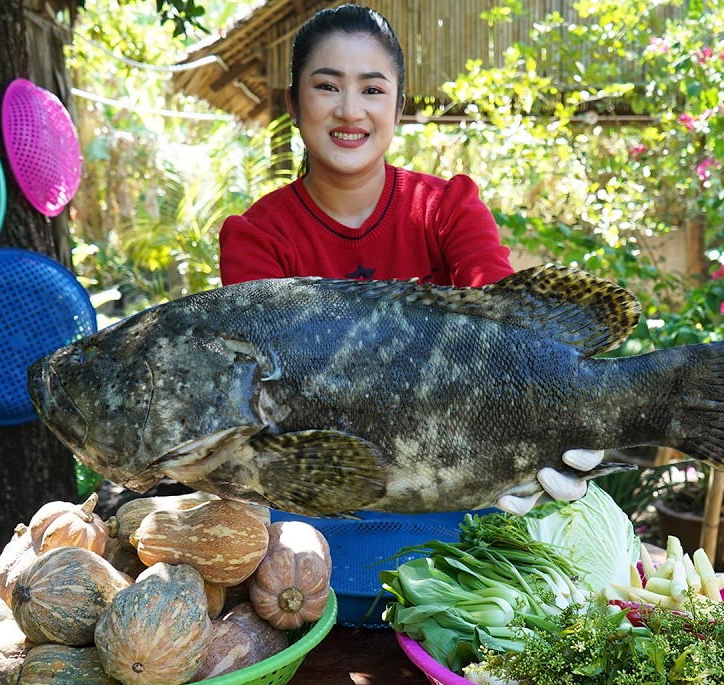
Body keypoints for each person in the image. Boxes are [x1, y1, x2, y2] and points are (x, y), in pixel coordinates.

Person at [218, 4, 599, 513]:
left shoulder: (448, 209)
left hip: (462, 495)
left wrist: (582, 413)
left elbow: (511, 331)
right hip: (312, 509)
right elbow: (259, 410)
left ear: (398, 108)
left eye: (372, 90)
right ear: (293, 102)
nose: (350, 111)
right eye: (327, 86)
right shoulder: (256, 237)